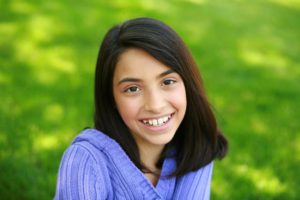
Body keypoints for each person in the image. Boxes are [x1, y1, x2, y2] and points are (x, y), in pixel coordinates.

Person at [54, 17, 228, 200]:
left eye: (168, 82)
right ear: (111, 97)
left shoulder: (195, 146)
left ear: (187, 84)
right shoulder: (85, 161)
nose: (155, 105)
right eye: (133, 89)